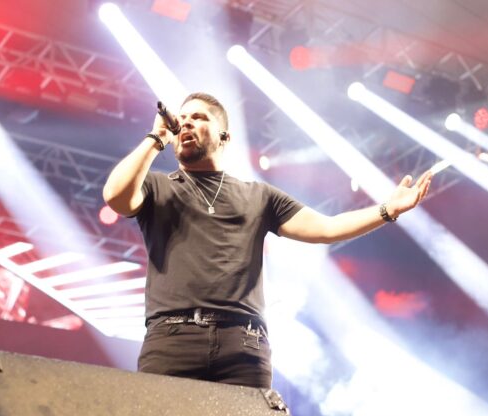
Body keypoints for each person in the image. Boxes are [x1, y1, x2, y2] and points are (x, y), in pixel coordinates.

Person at [103, 92, 431, 388]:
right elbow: (115, 196)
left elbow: (327, 228)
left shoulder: (258, 196)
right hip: (172, 339)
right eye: (183, 118)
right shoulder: (158, 186)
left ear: (225, 136)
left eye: (199, 117)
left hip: (242, 344)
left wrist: (387, 210)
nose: (186, 122)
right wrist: (156, 137)